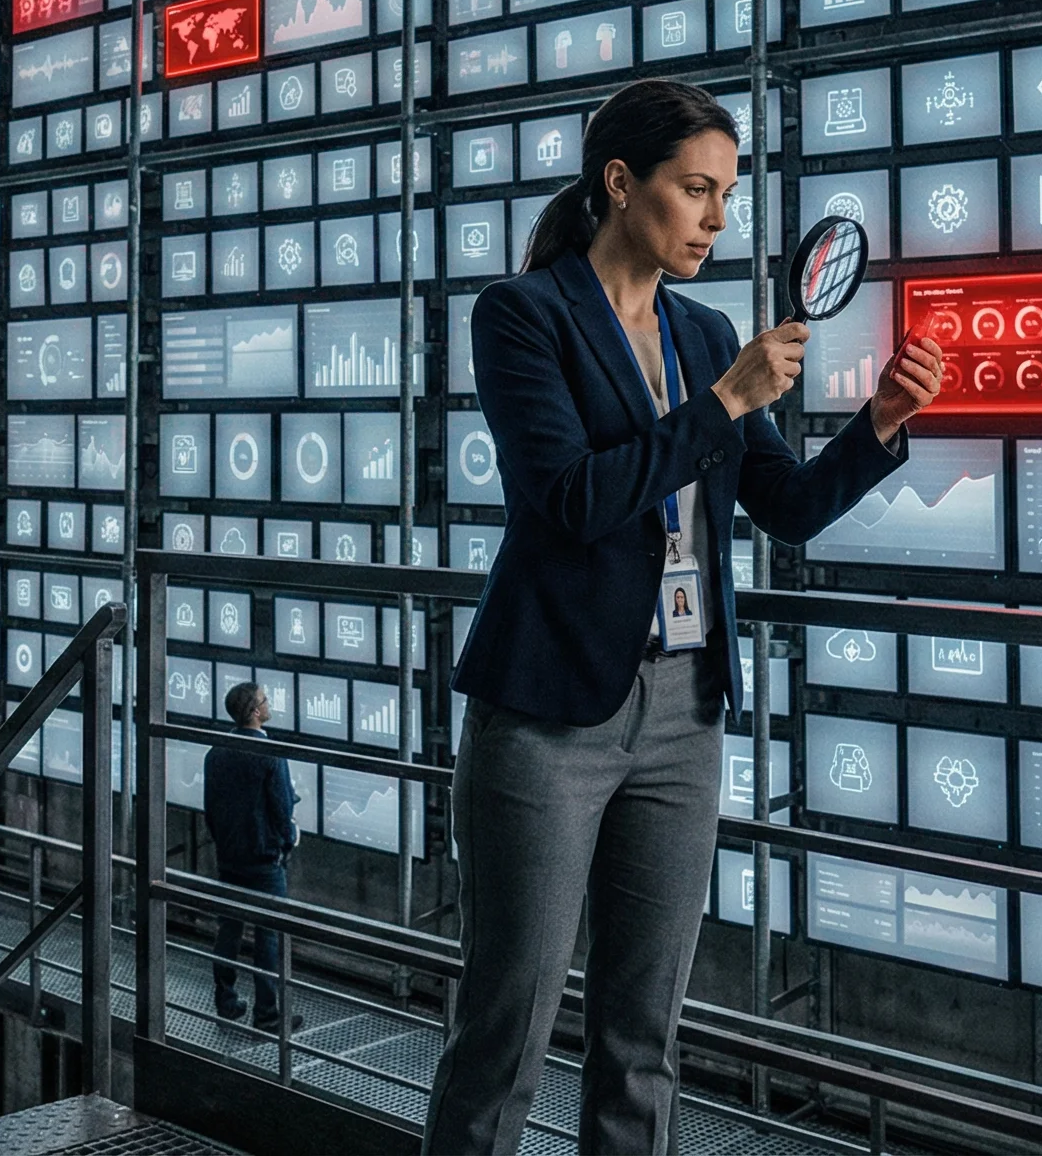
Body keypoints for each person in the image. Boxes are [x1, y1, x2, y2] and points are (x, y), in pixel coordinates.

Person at [424, 79, 944, 1154]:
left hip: (683, 710)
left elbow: (784, 508)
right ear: (621, 185)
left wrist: (879, 427)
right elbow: (566, 500)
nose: (715, 219)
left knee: (644, 1037)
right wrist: (720, 408)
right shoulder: (521, 315)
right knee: (504, 1031)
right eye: (695, 191)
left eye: (725, 196)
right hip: (548, 714)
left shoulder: (706, 334)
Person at [202, 681, 302, 1032]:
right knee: (268, 936)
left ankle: (226, 1002)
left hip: (230, 857)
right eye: (265, 698)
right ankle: (268, 1014)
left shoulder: (215, 752)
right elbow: (282, 807)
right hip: (264, 861)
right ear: (255, 712)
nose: (269, 701)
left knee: (228, 930)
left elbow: (210, 810)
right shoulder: (270, 754)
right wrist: (287, 841)